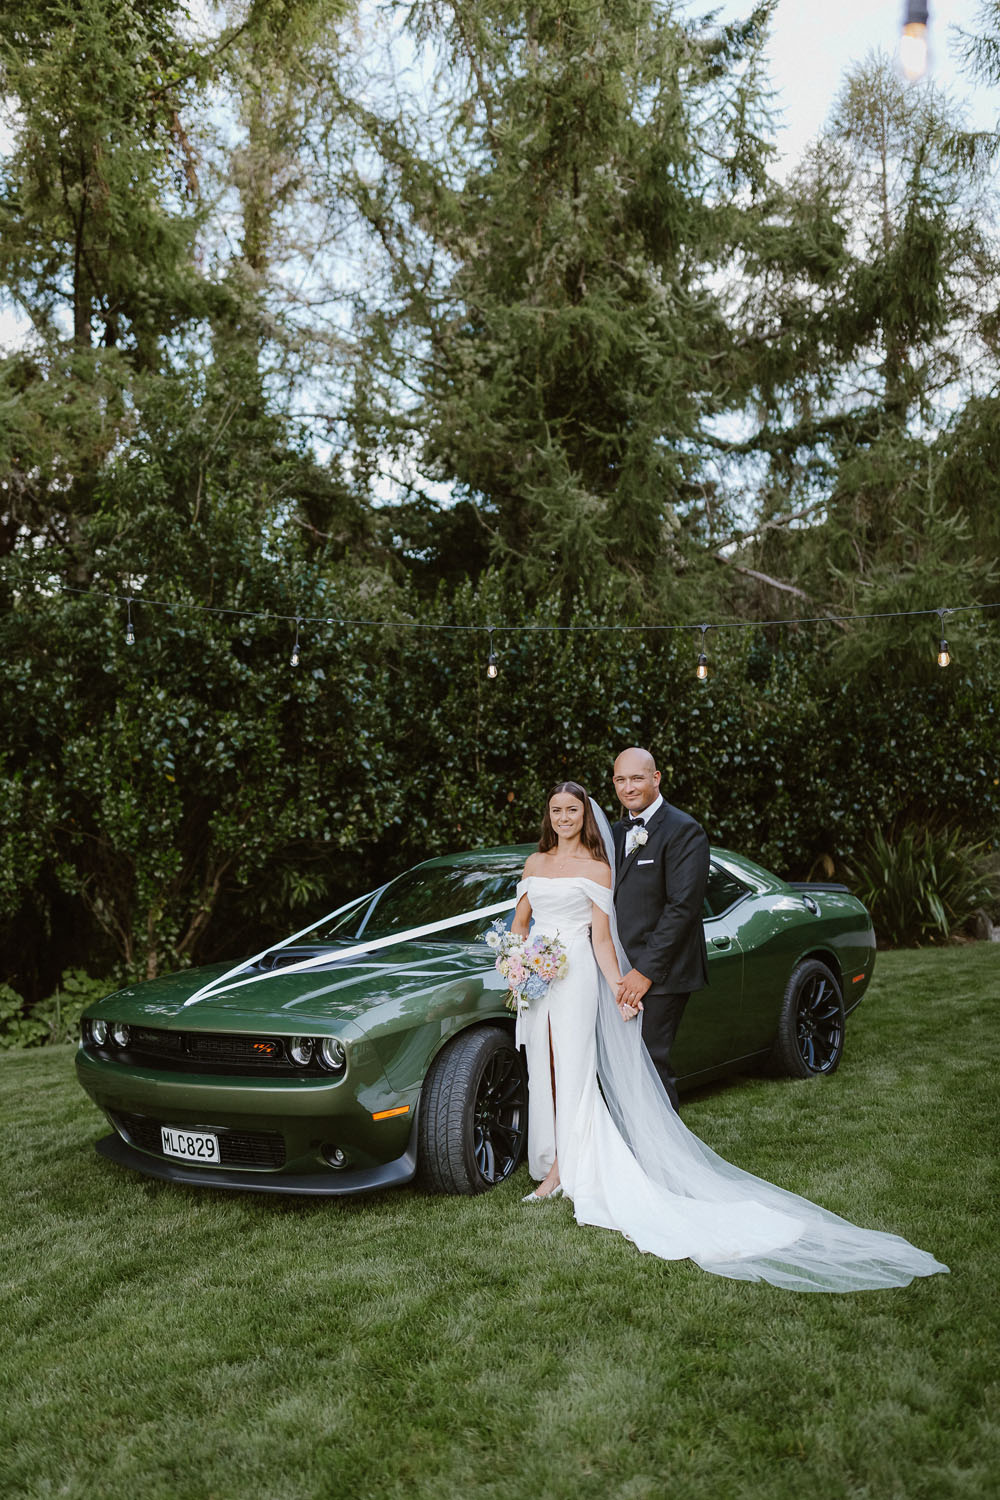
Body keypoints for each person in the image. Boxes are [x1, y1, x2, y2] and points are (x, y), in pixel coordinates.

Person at [511, 779, 949, 1291]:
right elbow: (520, 922)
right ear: (549, 816)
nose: (563, 817)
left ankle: (567, 1167)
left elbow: (611, 936)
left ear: (585, 815)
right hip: (538, 979)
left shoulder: (602, 864)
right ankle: (554, 1155)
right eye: (555, 810)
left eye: (572, 809)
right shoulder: (535, 863)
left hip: (582, 975)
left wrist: (620, 988)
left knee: (577, 1067)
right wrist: (518, 961)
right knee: (545, 1066)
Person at [611, 747, 709, 1112]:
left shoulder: (684, 830)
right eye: (620, 779)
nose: (628, 787)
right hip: (620, 970)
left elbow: (682, 908)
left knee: (651, 1064)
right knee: (625, 1065)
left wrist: (645, 972)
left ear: (656, 778)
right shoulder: (615, 831)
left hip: (661, 972)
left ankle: (664, 1163)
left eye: (636, 778)